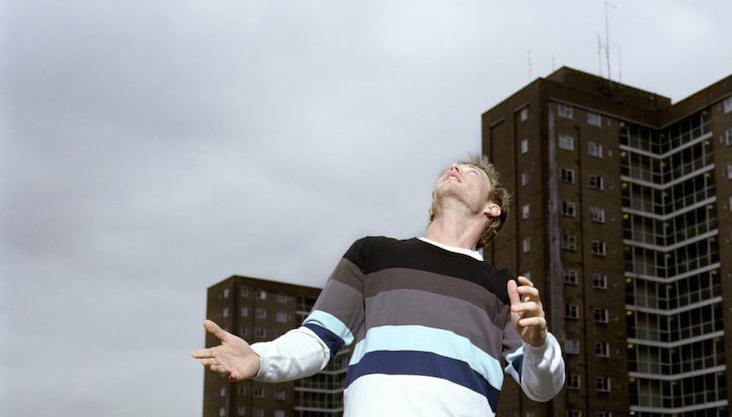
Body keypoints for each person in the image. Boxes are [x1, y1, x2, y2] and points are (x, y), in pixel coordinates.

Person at [193, 155, 565, 415]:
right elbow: (318, 340)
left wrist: (538, 345)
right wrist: (260, 358)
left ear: (493, 207)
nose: (454, 168)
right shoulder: (373, 254)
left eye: (469, 171)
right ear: (432, 204)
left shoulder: (506, 288)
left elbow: (541, 388)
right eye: (452, 167)